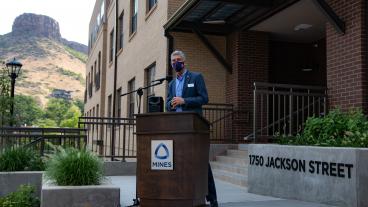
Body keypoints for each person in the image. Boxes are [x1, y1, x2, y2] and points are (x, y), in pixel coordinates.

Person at [166, 50, 218, 207]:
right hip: (178, 128)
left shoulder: (196, 77)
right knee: (180, 163)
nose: (176, 62)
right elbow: (167, 103)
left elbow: (204, 98)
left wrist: (184, 101)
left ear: (184, 62)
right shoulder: (171, 84)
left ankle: (212, 198)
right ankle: (183, 195)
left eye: (178, 60)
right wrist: (171, 104)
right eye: (173, 60)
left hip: (194, 129)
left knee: (202, 164)